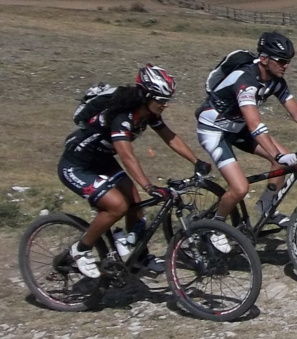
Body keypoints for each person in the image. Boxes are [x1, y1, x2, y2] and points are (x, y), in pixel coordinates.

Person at [58, 65, 209, 279]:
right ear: (146, 96)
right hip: (76, 165)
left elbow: (170, 137)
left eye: (167, 100)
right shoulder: (122, 117)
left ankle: (139, 256)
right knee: (117, 206)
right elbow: (127, 155)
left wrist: (196, 161)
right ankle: (80, 250)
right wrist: (149, 186)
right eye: (160, 99)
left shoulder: (148, 112)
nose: (164, 104)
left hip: (101, 160)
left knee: (135, 203)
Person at [195, 31, 297, 231]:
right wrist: (276, 153)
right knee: (240, 188)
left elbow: (296, 112)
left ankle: (266, 209)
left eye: (288, 61)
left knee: (282, 162)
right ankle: (215, 227)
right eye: (281, 61)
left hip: (237, 127)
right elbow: (254, 124)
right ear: (264, 59)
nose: (285, 65)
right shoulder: (245, 80)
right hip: (214, 131)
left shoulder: (276, 81)